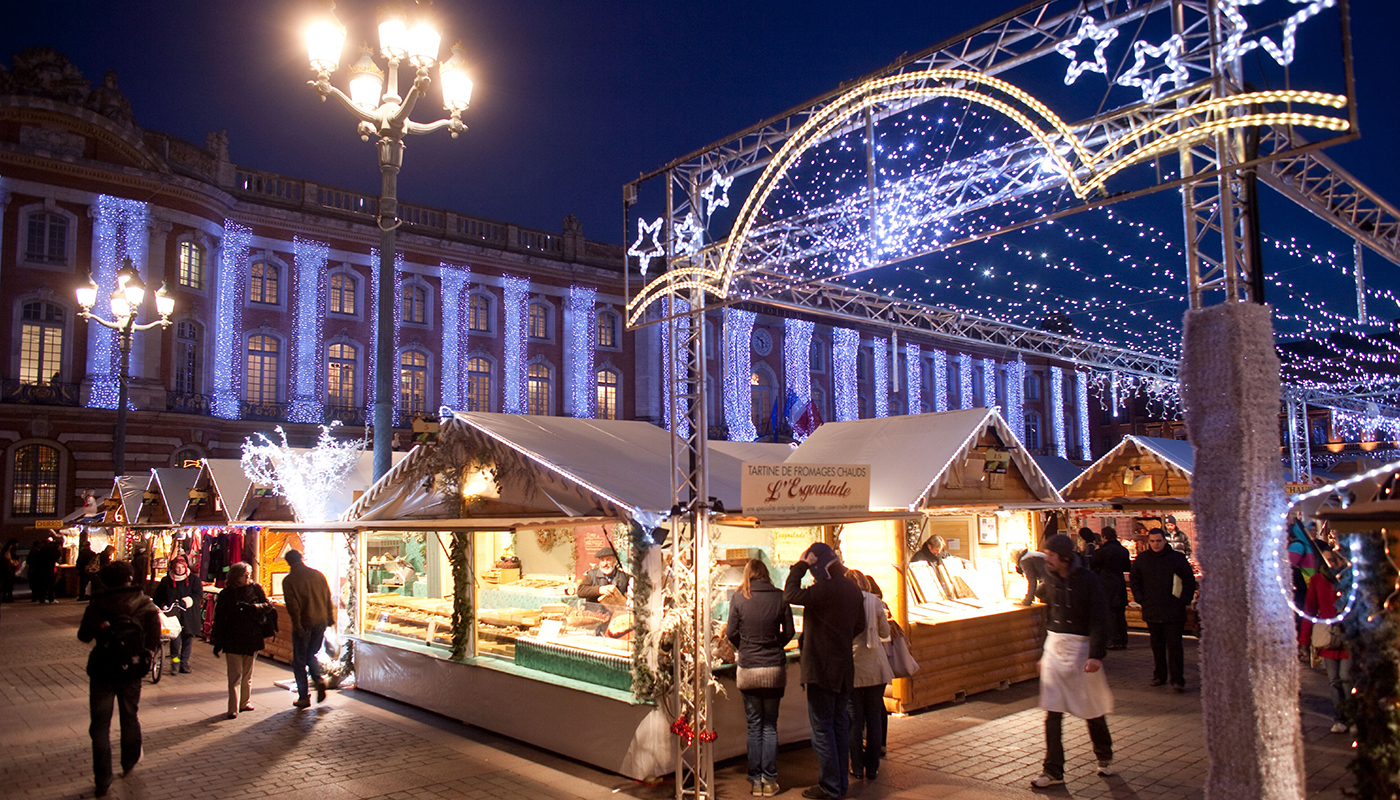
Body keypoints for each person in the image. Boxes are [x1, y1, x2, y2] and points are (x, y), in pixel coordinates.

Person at [1031, 534, 1115, 789]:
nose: (1047, 559)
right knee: (1052, 711)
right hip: (1056, 646)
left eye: (1051, 555)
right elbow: (1050, 616)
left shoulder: (1089, 581)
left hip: (1081, 647)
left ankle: (1104, 754)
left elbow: (1100, 618)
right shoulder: (1049, 579)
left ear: (1065, 558)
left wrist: (1095, 654)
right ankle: (1053, 769)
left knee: (1092, 708)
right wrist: (1044, 655)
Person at [784, 542, 866, 800]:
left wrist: (799, 566)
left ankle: (830, 785)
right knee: (840, 724)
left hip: (821, 668)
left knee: (822, 728)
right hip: (844, 668)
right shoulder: (852, 589)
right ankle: (840, 783)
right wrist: (839, 640)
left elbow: (790, 595)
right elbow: (860, 625)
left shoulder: (824, 590)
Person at [77, 561, 160, 797]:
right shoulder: (145, 604)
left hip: (102, 669)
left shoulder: (98, 604)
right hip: (131, 670)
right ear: (130, 578)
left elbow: (83, 636)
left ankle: (103, 779)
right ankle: (129, 761)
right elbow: (153, 637)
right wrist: (145, 655)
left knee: (100, 726)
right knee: (129, 716)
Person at [725, 559, 794, 797]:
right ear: (765, 574)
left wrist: (744, 648)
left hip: (749, 668)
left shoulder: (739, 598)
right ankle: (770, 779)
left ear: (748, 575)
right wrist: (776, 645)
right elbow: (791, 632)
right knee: (770, 725)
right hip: (774, 668)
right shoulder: (780, 596)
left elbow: (730, 632)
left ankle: (755, 780)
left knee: (754, 725)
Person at [1129, 529, 1197, 692]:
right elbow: (1135, 580)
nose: (1155, 544)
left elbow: (1189, 580)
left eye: (1158, 541)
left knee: (1174, 646)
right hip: (1152, 609)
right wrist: (1140, 598)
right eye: (1152, 541)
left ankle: (1177, 679)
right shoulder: (1143, 560)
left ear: (1164, 541)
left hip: (1173, 610)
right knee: (1157, 645)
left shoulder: (1177, 559)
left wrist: (1184, 600)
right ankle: (1159, 675)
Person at [845, 570, 892, 782]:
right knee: (874, 717)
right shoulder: (875, 601)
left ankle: (856, 765)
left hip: (854, 665)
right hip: (876, 665)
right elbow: (884, 633)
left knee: (854, 719)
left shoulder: (843, 602)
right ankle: (872, 767)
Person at [211, 562, 274, 719]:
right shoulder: (226, 594)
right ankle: (233, 707)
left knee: (247, 673)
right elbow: (219, 618)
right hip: (233, 638)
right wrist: (217, 641)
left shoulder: (255, 588)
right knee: (235, 675)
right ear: (235, 576)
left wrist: (253, 608)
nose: (247, 576)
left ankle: (245, 702)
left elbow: (268, 605)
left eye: (248, 573)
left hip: (252, 636)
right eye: (244, 574)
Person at [1300, 548, 1351, 734]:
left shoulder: (1347, 579)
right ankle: (1340, 718)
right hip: (1328, 638)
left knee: (1345, 678)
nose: (1330, 563)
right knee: (1334, 680)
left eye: (1333, 559)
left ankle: (1350, 715)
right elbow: (1310, 609)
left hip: (1347, 637)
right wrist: (1304, 641)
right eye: (1327, 559)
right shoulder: (1317, 581)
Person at [282, 549, 335, 708]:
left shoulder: (289, 580)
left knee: (299, 660)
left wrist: (297, 625)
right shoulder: (318, 575)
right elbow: (327, 597)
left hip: (304, 623)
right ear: (301, 558)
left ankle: (304, 696)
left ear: (289, 562)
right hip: (320, 621)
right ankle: (318, 679)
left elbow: (293, 607)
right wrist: (329, 617)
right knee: (311, 654)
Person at [153, 554, 203, 674]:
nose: (179, 570)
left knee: (187, 639)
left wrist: (189, 600)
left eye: (181, 567)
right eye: (177, 567)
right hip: (172, 614)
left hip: (189, 614)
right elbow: (158, 596)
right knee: (175, 639)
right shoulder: (166, 581)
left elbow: (198, 595)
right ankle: (175, 662)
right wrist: (163, 605)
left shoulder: (194, 580)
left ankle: (184, 663)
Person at [1090, 527, 1132, 650]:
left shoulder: (1103, 551)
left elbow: (1093, 564)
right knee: (1120, 614)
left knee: (1110, 614)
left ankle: (1113, 640)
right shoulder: (1123, 551)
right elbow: (1127, 567)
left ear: (1104, 537)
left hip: (1107, 585)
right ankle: (1123, 639)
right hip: (1120, 584)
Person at [28, 533, 58, 603]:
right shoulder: (43, 551)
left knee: (41, 585)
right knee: (48, 585)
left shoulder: (39, 550)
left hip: (39, 571)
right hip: (43, 571)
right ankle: (47, 598)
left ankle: (40, 598)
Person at [1, 537, 19, 602]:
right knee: (10, 583)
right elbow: (14, 556)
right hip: (9, 566)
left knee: (5, 583)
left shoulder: (5, 548)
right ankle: (9, 597)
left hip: (4, 568)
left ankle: (4, 597)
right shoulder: (11, 548)